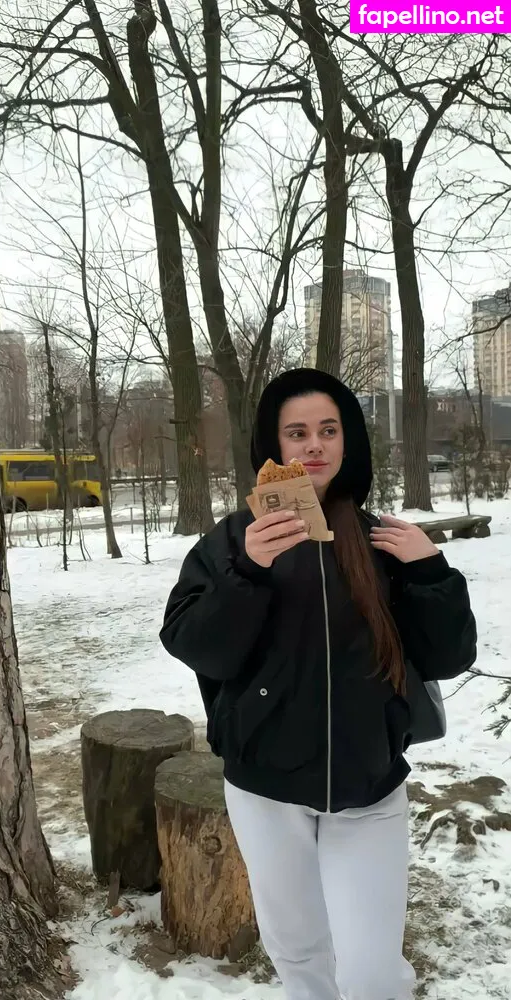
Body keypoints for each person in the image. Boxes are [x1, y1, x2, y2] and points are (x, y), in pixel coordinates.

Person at [160, 369, 477, 1000]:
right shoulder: (234, 540)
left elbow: (449, 656)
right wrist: (248, 569)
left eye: (328, 431)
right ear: (274, 446)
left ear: (347, 441)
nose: (314, 445)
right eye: (297, 432)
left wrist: (430, 571)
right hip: (266, 790)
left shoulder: (382, 539)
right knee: (300, 953)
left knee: (371, 971)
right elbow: (194, 645)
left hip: (368, 787)